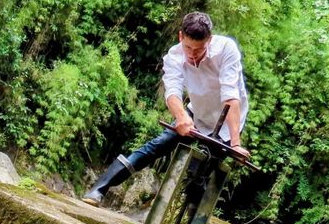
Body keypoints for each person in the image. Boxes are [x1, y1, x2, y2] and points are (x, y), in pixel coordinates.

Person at [82, 11, 249, 206]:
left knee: (200, 171)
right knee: (159, 144)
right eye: (188, 47)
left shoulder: (227, 49)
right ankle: (99, 188)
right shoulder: (174, 56)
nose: (193, 54)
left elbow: (230, 96)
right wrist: (181, 117)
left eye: (199, 49)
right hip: (196, 112)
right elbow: (172, 93)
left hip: (227, 123)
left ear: (209, 40)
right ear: (180, 37)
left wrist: (235, 144)